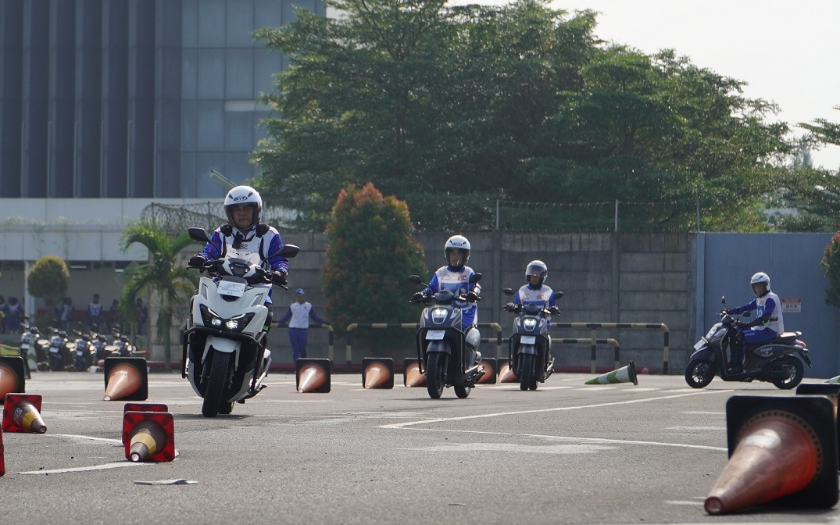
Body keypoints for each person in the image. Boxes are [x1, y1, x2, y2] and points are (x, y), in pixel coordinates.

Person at [188, 185, 289, 342]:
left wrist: (280, 272)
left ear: (256, 211)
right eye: (237, 210)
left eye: (247, 209)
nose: (242, 214)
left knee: (267, 313)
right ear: (230, 213)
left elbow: (279, 259)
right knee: (196, 300)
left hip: (256, 289)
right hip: (221, 286)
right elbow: (208, 252)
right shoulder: (221, 233)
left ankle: (257, 354)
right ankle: (194, 349)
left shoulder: (269, 234)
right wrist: (200, 258)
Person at [412, 235, 481, 364]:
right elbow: (431, 288)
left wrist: (473, 293)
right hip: (444, 311)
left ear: (465, 256)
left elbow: (476, 286)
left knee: (462, 335)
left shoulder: (469, 273)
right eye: (452, 253)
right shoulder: (440, 273)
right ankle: (428, 362)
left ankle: (465, 362)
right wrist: (422, 294)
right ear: (447, 255)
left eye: (459, 253)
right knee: (429, 327)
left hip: (464, 312)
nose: (455, 256)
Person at [725, 272, 783, 373]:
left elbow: (764, 318)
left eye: (760, 286)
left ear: (766, 285)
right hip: (761, 328)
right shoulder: (760, 299)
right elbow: (746, 308)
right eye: (755, 286)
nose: (758, 289)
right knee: (734, 331)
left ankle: (738, 366)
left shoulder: (770, 298)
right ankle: (733, 361)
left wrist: (747, 324)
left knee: (740, 335)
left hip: (769, 330)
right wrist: (729, 312)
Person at [505, 260, 560, 361]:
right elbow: (516, 303)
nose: (534, 277)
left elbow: (553, 304)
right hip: (524, 323)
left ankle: (546, 358)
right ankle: (514, 356)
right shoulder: (522, 291)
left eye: (537, 275)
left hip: (542, 323)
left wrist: (554, 309)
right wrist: (512, 306)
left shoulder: (548, 291)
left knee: (548, 339)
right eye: (532, 274)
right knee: (515, 336)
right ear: (528, 275)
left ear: (542, 277)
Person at [276, 288, 328, 362]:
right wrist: (278, 321)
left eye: (301, 295)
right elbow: (287, 317)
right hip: (293, 329)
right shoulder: (293, 306)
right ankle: (297, 367)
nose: (299, 297)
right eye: (298, 295)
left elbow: (314, 317)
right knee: (295, 350)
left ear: (303, 296)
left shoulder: (308, 305)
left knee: (302, 349)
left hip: (303, 331)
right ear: (296, 297)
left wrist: (323, 321)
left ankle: (303, 365)